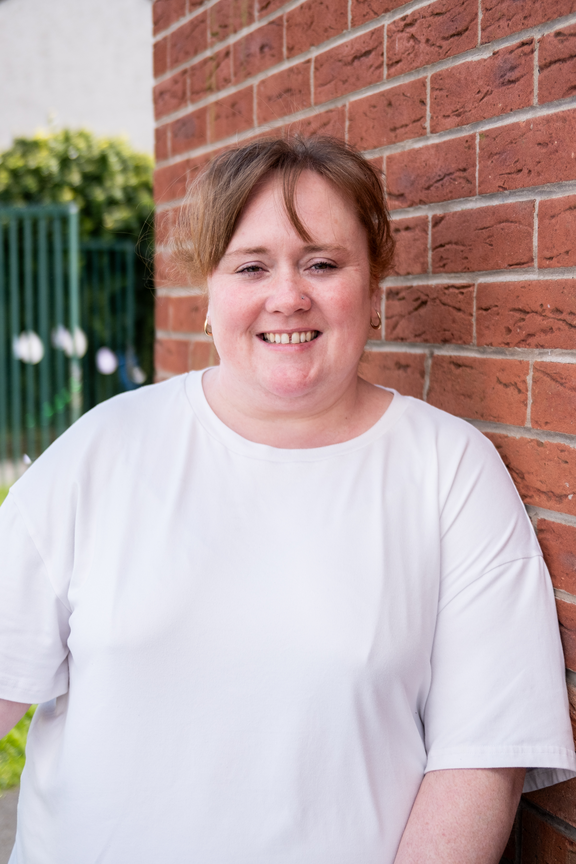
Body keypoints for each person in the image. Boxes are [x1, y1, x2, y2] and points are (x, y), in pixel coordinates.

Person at [0, 135, 574, 864]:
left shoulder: (449, 470)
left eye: (323, 264)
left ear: (373, 292)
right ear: (208, 295)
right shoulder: (105, 450)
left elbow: (481, 755)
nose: (287, 296)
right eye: (251, 266)